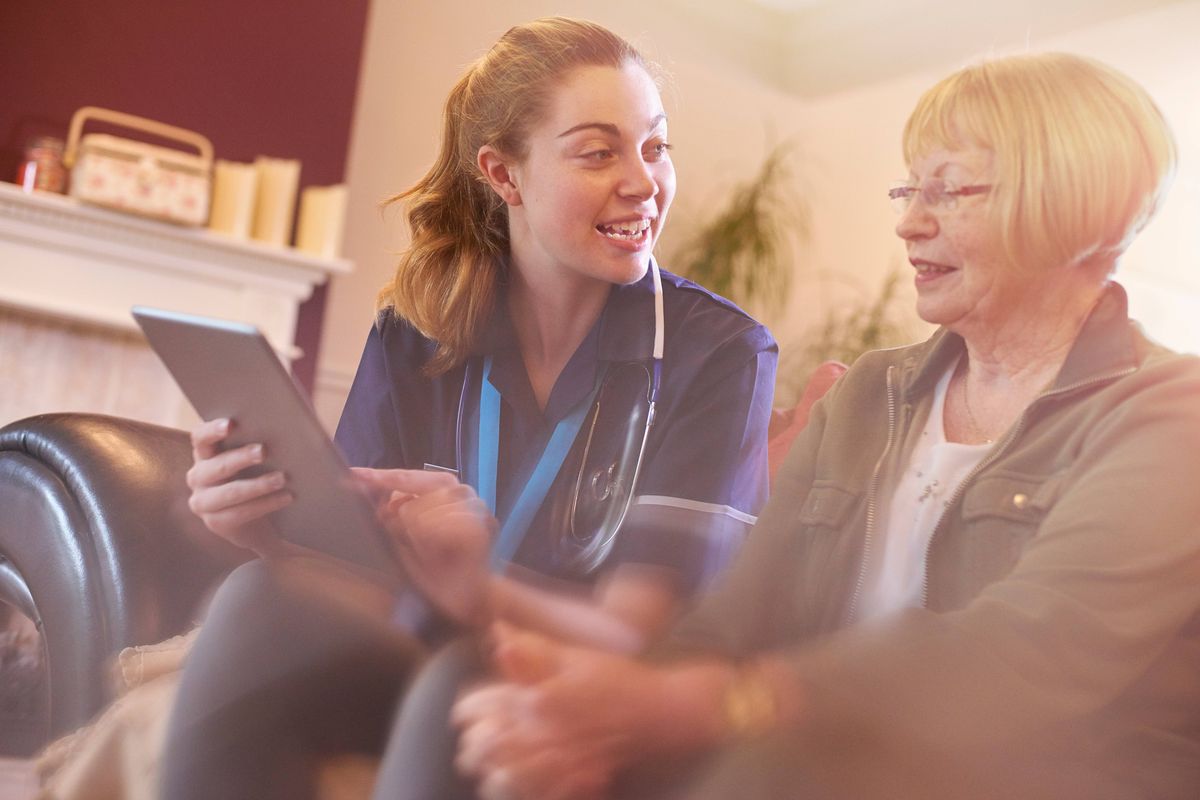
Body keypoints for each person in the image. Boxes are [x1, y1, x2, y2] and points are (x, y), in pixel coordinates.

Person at [445, 52, 1200, 800]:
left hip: (1017, 778)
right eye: (910, 189)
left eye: (951, 190)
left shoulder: (1171, 413)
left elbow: (1019, 658)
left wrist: (701, 707)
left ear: (1069, 205)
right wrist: (598, 704)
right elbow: (730, 625)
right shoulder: (871, 392)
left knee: (772, 772)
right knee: (460, 699)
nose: (910, 222)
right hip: (805, 749)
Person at [160, 16, 776, 799]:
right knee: (258, 601)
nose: (643, 180)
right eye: (599, 151)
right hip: (407, 659)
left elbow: (640, 639)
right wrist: (259, 531)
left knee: (464, 681)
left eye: (654, 146)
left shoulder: (719, 354)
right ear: (504, 175)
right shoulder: (417, 332)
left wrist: (479, 586)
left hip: (574, 682)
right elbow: (360, 573)